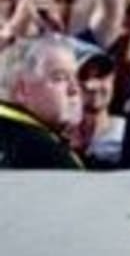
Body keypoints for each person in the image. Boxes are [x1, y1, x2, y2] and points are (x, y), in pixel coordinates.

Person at [0, 33, 84, 169]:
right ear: (22, 90)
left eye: (76, 78)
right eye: (60, 78)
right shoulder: (46, 154)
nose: (74, 89)